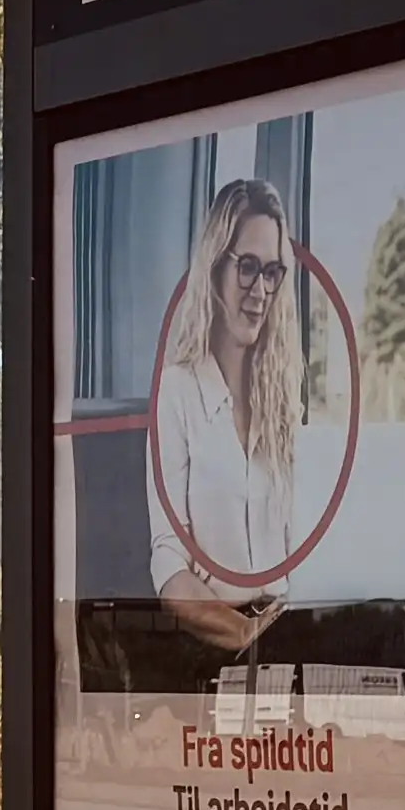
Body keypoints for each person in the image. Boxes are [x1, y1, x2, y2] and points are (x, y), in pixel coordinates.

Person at [152, 174, 333, 654]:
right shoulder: (178, 393)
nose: (259, 290)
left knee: (393, 625)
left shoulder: (282, 398)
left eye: (272, 272)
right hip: (217, 644)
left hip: (288, 628)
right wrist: (247, 636)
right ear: (215, 269)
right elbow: (169, 569)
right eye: (247, 267)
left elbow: (306, 545)